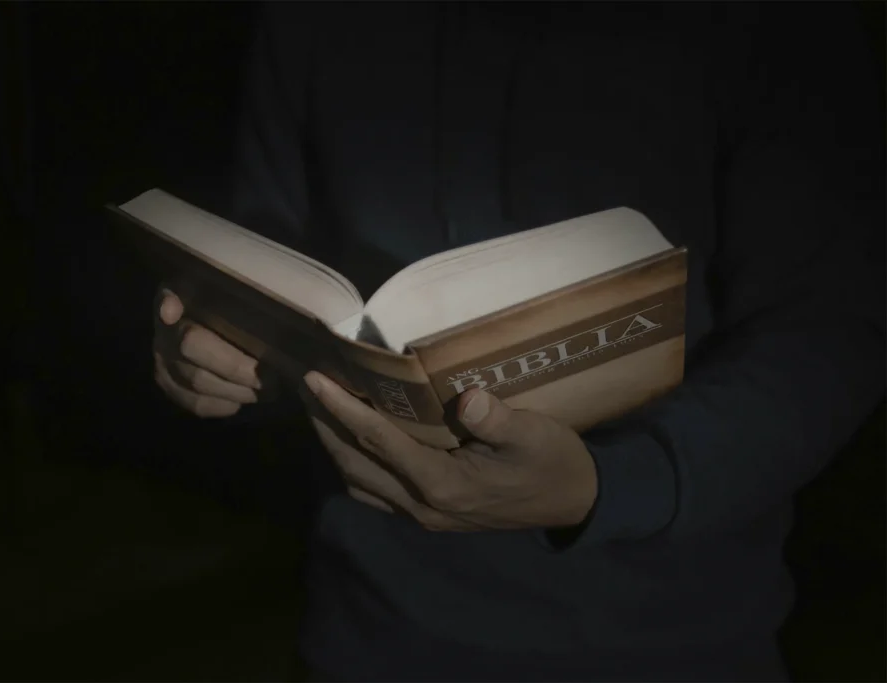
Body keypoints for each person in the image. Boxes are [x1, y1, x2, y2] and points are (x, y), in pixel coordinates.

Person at [152, 4, 884, 681]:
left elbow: (830, 331)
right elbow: (279, 262)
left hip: (671, 638)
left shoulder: (777, 25)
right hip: (367, 627)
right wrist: (221, 352)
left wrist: (609, 486)